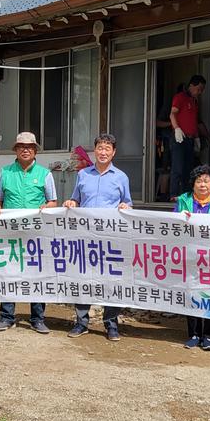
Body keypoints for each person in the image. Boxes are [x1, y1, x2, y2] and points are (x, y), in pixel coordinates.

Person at [63, 134, 132, 341]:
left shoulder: (121, 177)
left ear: (113, 152)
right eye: (100, 148)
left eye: (107, 148)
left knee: (112, 280)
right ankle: (81, 322)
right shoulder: (83, 175)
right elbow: (76, 198)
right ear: (95, 151)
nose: (103, 152)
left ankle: (111, 324)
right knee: (83, 277)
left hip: (110, 238)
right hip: (85, 237)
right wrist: (72, 203)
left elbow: (127, 203)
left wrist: (125, 207)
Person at [0, 132, 57, 333]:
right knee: (9, 273)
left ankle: (37, 318)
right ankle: (7, 317)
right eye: (21, 146)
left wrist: (49, 206)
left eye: (29, 147)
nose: (25, 150)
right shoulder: (5, 172)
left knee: (37, 274)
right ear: (16, 150)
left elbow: (53, 201)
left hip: (36, 233)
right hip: (11, 233)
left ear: (35, 150)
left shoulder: (45, 174)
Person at [176, 165, 210, 350]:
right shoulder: (183, 200)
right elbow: (173, 225)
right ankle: (194, 334)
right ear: (193, 184)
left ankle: (209, 336)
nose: (203, 184)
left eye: (206, 181)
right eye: (199, 181)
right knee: (192, 294)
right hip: (190, 255)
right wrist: (180, 217)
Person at [169, 75, 210, 197]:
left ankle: (186, 196)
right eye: (198, 89)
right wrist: (176, 128)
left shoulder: (194, 101)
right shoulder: (180, 97)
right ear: (191, 85)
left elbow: (194, 121)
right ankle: (173, 195)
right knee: (177, 167)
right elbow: (172, 114)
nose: (200, 92)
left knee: (188, 169)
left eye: (202, 90)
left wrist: (197, 137)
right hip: (179, 137)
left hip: (190, 138)